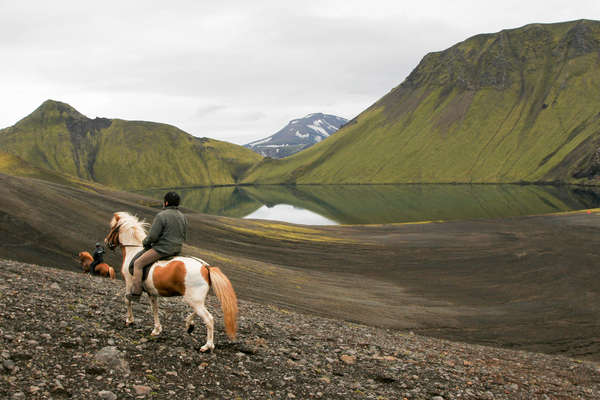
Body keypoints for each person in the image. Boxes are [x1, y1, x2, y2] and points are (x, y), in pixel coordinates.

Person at [128, 191, 188, 301]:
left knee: (137, 264)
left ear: (166, 203)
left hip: (162, 249)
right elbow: (184, 235)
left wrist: (146, 243)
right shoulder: (183, 216)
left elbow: (153, 237)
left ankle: (136, 293)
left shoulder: (161, 216)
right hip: (177, 249)